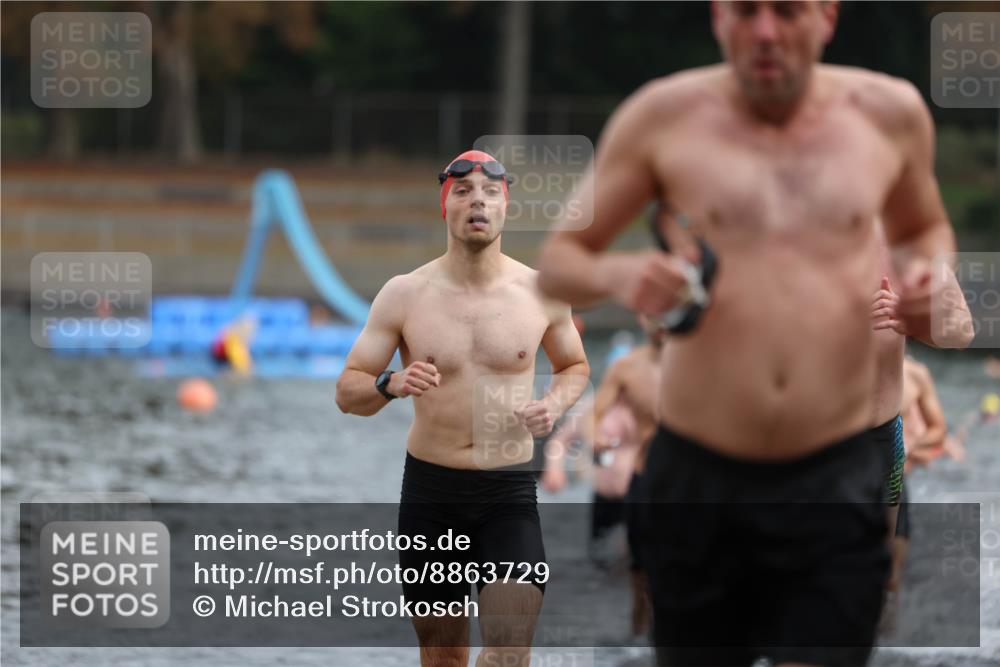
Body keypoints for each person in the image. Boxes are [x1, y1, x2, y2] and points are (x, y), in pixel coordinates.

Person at [536, 2, 964, 665]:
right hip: (701, 471)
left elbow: (925, 231)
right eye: (745, 10)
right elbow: (561, 260)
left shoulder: (888, 113)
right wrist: (621, 273)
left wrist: (928, 281)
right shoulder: (661, 116)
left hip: (840, 467)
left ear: (827, 15)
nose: (765, 31)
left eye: (787, 10)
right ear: (717, 16)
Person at [335, 150, 589, 667]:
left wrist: (553, 404)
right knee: (444, 656)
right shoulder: (404, 294)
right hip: (432, 495)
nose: (479, 201)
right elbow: (347, 393)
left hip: (507, 493)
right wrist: (392, 383)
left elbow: (575, 367)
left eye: (491, 192)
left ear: (506, 209)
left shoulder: (541, 292)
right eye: (465, 191)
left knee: (509, 652)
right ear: (445, 207)